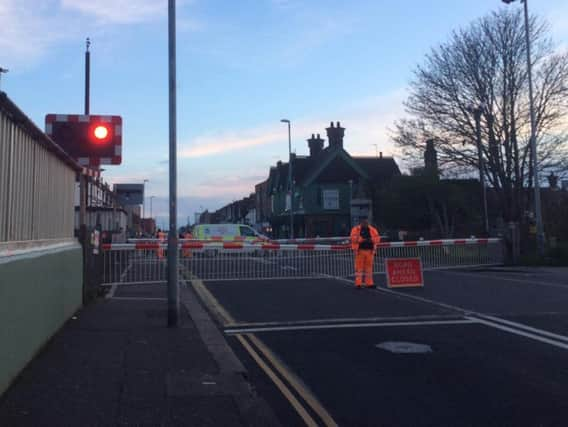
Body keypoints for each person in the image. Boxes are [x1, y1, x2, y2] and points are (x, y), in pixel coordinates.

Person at [350, 216, 380, 289]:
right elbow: (353, 238)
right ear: (361, 222)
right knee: (359, 268)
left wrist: (371, 240)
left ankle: (369, 283)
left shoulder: (372, 229)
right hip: (360, 251)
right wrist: (362, 240)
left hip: (370, 251)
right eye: (364, 222)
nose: (365, 223)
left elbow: (377, 238)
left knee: (369, 268)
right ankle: (358, 283)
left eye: (366, 222)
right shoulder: (355, 229)